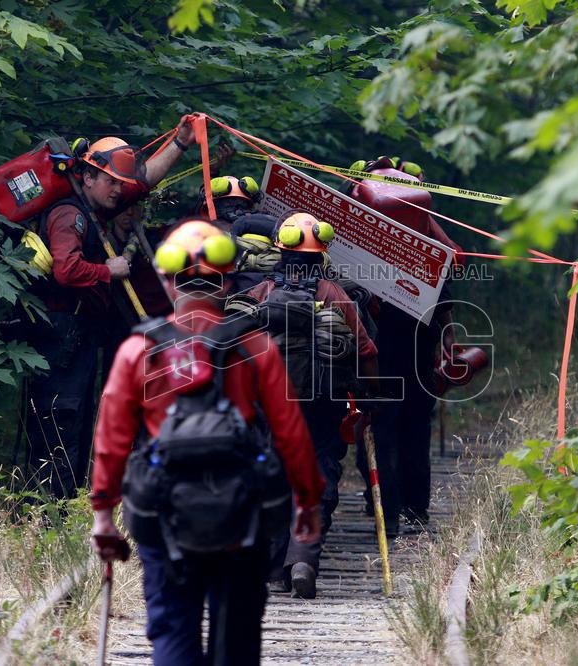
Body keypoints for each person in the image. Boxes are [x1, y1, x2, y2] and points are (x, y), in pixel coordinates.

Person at [89, 219, 324, 665]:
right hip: (243, 514)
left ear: (165, 279)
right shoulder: (256, 348)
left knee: (173, 630)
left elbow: (112, 439)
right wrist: (307, 505)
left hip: (163, 512)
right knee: (236, 641)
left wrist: (104, 515)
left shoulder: (139, 351)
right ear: (229, 276)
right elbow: (291, 433)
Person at [24, 120, 194, 499]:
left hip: (77, 338)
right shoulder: (71, 215)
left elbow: (142, 180)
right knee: (60, 422)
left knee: (77, 423)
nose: (119, 191)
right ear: (86, 176)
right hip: (59, 338)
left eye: (121, 184)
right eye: (110, 182)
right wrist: (108, 270)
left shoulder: (94, 209)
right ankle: (47, 511)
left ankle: (64, 509)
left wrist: (181, 143)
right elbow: (66, 270)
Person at [242, 211, 379, 599]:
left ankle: (271, 566)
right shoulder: (333, 294)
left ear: (279, 251)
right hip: (322, 403)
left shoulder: (263, 293)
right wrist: (372, 396)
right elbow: (366, 350)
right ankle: (302, 559)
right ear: (321, 254)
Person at [346, 156, 462, 532]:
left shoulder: (357, 255)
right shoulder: (430, 247)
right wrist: (448, 335)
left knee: (379, 426)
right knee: (415, 426)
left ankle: (388, 510)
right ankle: (415, 509)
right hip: (417, 354)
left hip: (379, 357)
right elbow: (447, 292)